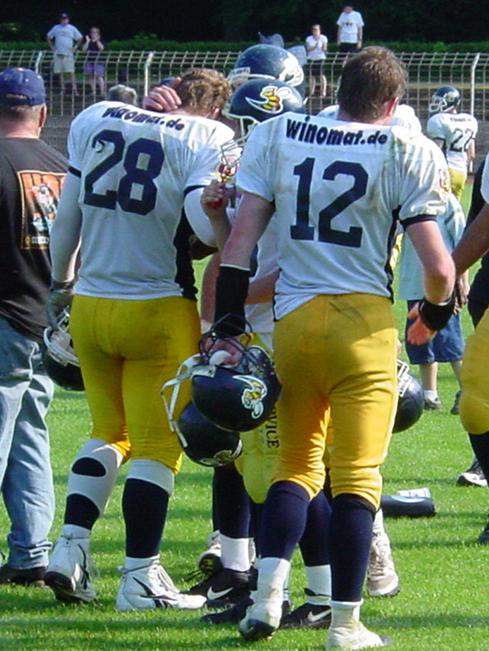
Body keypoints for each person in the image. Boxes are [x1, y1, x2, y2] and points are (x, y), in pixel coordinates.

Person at [207, 47, 455, 648]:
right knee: (356, 478)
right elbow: (440, 270)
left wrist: (229, 323)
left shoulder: (279, 134)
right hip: (362, 328)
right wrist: (432, 316)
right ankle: (344, 622)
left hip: (293, 321)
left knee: (295, 466)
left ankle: (266, 596)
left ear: (337, 92)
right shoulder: (406, 147)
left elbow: (239, 246)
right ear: (391, 104)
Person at [44, 69, 235, 610]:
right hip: (157, 308)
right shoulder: (207, 136)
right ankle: (140, 577)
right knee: (156, 447)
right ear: (213, 110)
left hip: (91, 304)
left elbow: (67, 217)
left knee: (107, 432)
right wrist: (224, 216)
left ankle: (70, 550)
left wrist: (61, 285)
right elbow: (204, 226)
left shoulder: (97, 117)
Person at [0, 68, 67, 587]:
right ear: (42, 114)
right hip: (47, 322)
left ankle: (30, 553)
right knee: (29, 434)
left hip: (4, 315)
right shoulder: (63, 167)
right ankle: (31, 552)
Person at [399, 194, 467, 413]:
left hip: (443, 286)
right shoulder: (407, 199)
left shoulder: (447, 202)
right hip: (415, 283)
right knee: (420, 340)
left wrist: (461, 280)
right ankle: (430, 394)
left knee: (450, 342)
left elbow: (462, 239)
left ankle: (468, 389)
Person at [426, 85, 478, 201]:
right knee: (455, 209)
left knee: (437, 207)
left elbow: (437, 151)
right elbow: (472, 154)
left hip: (446, 170)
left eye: (439, 101)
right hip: (462, 172)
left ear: (450, 101)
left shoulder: (439, 120)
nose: (436, 104)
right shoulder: (470, 120)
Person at [47, 13, 83, 95]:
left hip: (68, 54)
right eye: (63, 19)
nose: (64, 20)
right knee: (60, 72)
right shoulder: (56, 28)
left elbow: (80, 37)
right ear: (60, 20)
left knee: (71, 72)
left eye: (65, 19)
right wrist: (52, 47)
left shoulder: (72, 28)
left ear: (68, 20)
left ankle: (74, 89)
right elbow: (48, 36)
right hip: (58, 53)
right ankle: (63, 89)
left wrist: (75, 47)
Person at [305, 24, 328, 98]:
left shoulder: (323, 38)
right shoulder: (309, 38)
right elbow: (308, 49)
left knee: (321, 75)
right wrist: (314, 47)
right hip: (311, 58)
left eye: (316, 29)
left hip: (320, 58)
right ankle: (311, 92)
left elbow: (325, 48)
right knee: (312, 76)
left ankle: (323, 92)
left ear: (319, 30)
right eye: (313, 29)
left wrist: (323, 48)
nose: (315, 31)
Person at [83, 27, 105, 98]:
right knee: (90, 76)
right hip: (89, 60)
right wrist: (87, 41)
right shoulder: (88, 41)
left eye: (95, 32)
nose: (93, 34)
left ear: (98, 34)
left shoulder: (100, 41)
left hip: (98, 60)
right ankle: (93, 91)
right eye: (92, 32)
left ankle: (102, 91)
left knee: (99, 76)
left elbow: (101, 48)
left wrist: (97, 41)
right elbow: (84, 49)